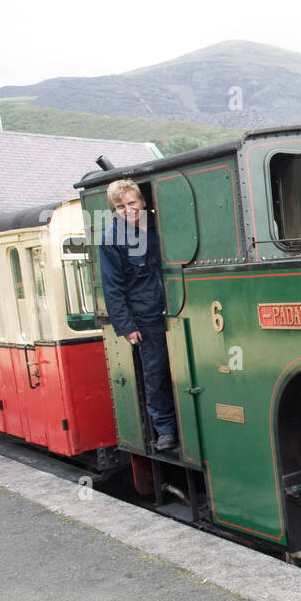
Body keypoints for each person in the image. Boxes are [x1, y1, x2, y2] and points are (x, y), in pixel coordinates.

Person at [99, 179, 178, 452]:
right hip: (146, 316)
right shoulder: (111, 239)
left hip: (178, 308)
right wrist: (126, 326)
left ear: (143, 202)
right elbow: (113, 287)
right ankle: (165, 428)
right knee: (156, 373)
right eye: (120, 206)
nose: (127, 209)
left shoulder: (163, 226)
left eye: (132, 203)